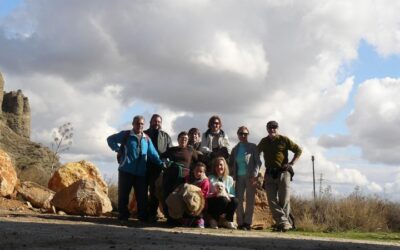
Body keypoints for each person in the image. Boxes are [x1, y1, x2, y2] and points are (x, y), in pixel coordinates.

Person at [107, 115, 164, 222]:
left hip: (141, 173)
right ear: (133, 124)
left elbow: (153, 155)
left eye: (142, 123)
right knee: (123, 195)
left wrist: (161, 164)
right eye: (137, 123)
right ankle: (123, 216)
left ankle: (142, 217)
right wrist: (118, 149)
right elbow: (110, 139)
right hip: (126, 170)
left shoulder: (146, 139)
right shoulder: (126, 134)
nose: (140, 125)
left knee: (142, 197)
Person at [257, 120, 302, 232]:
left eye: (274, 127)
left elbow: (298, 150)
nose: (272, 129)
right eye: (270, 127)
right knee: (271, 200)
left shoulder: (284, 140)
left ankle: (282, 225)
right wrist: (258, 170)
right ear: (267, 129)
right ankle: (285, 224)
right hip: (269, 174)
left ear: (277, 128)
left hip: (283, 172)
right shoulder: (263, 141)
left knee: (284, 201)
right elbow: (256, 153)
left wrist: (291, 163)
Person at [161, 131, 198, 225]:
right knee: (168, 195)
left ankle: (179, 218)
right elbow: (161, 157)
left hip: (184, 177)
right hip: (170, 175)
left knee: (179, 197)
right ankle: (169, 218)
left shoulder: (190, 151)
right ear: (178, 140)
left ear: (188, 140)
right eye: (181, 138)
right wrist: (166, 163)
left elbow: (198, 160)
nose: (183, 140)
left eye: (185, 139)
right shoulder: (172, 150)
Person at [229, 126, 261, 231]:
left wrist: (255, 175)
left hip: (251, 177)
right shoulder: (235, 149)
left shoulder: (253, 147)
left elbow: (258, 162)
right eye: (241, 133)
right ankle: (240, 223)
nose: (243, 135)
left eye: (245, 134)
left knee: (250, 200)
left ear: (248, 135)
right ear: (238, 135)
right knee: (238, 200)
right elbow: (231, 163)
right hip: (238, 177)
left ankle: (247, 223)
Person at [145, 114, 172, 222]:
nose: (157, 123)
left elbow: (169, 152)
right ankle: (142, 213)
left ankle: (153, 214)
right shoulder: (144, 134)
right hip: (145, 166)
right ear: (150, 122)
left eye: (159, 121)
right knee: (142, 191)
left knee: (155, 191)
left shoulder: (165, 136)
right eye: (155, 121)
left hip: (159, 168)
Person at [206, 156, 238, 229]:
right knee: (223, 199)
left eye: (221, 165)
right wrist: (215, 194)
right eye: (217, 165)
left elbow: (233, 193)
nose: (219, 167)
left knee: (235, 201)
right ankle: (214, 220)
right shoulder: (210, 178)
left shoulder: (229, 179)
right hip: (213, 201)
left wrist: (226, 195)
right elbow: (207, 194)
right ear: (214, 167)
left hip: (225, 200)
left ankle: (228, 221)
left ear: (225, 166)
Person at [184, 161, 210, 228]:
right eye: (197, 171)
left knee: (195, 202)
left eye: (201, 171)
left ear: (204, 172)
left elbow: (203, 194)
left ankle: (200, 220)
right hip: (188, 200)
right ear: (193, 171)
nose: (198, 173)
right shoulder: (189, 178)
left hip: (201, 202)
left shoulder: (205, 181)